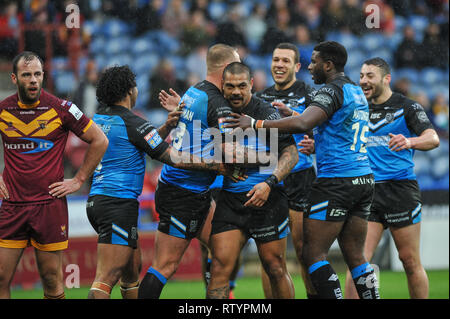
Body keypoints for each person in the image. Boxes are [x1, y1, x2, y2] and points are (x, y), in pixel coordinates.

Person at [226, 41, 381, 299]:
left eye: (315, 61)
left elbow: (302, 123)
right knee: (356, 256)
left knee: (312, 253)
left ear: (328, 65)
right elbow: (334, 128)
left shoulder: (329, 92)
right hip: (363, 178)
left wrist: (256, 123)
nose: (310, 67)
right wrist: (296, 114)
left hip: (336, 181)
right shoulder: (355, 91)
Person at [86, 65, 243, 299]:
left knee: (131, 273)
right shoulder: (134, 122)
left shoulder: (100, 118)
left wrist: (168, 126)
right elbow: (171, 156)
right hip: (117, 203)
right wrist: (217, 166)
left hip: (100, 200)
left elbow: (141, 143)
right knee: (106, 279)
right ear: (130, 91)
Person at [0, 51, 108, 299]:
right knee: (1, 278)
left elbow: (99, 140)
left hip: (49, 206)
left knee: (51, 279)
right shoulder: (3, 110)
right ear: (14, 78)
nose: (33, 80)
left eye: (37, 74)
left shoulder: (62, 108)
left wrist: (79, 180)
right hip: (12, 206)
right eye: (26, 75)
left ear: (43, 76)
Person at [137, 44, 242, 299]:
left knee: (224, 252)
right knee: (166, 265)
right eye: (236, 67)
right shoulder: (217, 103)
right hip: (182, 193)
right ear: (226, 69)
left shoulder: (194, 91)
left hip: (193, 191)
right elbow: (231, 152)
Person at [344, 58, 440, 299]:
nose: (364, 80)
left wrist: (409, 141)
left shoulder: (407, 106)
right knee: (358, 262)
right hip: (366, 190)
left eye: (370, 76)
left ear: (386, 79)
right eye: (362, 75)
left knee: (409, 261)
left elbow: (432, 138)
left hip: (400, 190)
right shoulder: (356, 107)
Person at [206, 62, 299, 299]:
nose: (236, 91)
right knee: (218, 268)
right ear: (222, 86)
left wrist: (269, 183)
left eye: (241, 86)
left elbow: (292, 153)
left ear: (251, 85)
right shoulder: (214, 111)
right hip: (230, 200)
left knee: (276, 268)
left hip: (267, 198)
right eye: (230, 86)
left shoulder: (266, 113)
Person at [255, 42, 317, 299]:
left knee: (305, 251)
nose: (279, 65)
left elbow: (321, 129)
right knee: (269, 255)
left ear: (297, 66)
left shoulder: (309, 93)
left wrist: (316, 144)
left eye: (285, 61)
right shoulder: (261, 97)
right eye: (276, 59)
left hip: (301, 177)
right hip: (271, 178)